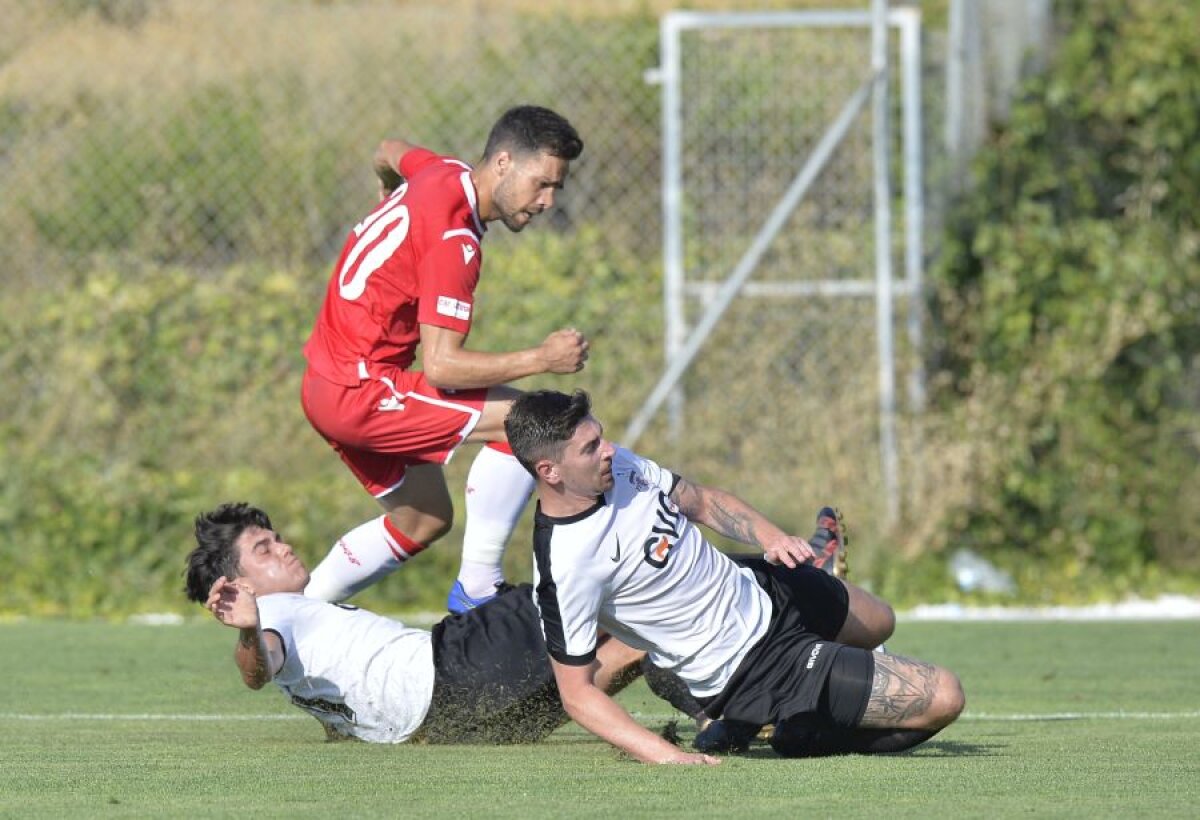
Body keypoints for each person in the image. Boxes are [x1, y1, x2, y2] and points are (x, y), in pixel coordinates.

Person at [505, 389, 966, 764]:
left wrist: (771, 537)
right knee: (945, 697)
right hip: (754, 666)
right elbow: (577, 694)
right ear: (550, 471)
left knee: (879, 621)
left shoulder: (616, 466)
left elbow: (701, 502)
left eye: (601, 437)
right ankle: (800, 732)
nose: (608, 450)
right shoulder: (564, 565)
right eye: (591, 448)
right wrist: (663, 754)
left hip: (757, 586)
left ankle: (762, 714)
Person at [300, 105, 588, 612]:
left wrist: (389, 188)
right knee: (532, 423)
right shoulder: (454, 242)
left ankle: (296, 617)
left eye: (555, 189)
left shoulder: (441, 171)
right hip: (362, 391)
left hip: (323, 383)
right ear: (502, 163)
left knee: (425, 518)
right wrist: (542, 356)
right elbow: (442, 367)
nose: (545, 202)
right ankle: (478, 589)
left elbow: (388, 148)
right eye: (540, 184)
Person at [184, 501, 652, 746]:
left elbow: (279, 677)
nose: (284, 547)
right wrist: (248, 627)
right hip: (455, 665)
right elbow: (258, 666)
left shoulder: (295, 637)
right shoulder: (274, 611)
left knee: (627, 648)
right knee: (586, 581)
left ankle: (715, 690)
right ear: (238, 584)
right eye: (264, 550)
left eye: (277, 538)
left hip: (451, 728)